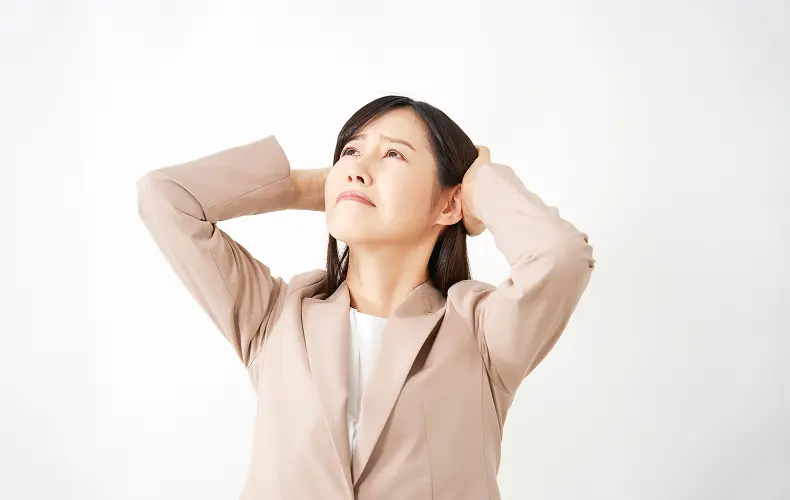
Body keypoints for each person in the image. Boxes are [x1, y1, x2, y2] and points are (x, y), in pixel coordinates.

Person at [137, 95, 594, 499]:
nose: (357, 167)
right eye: (350, 152)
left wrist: (480, 186)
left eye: (394, 153)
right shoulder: (274, 317)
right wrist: (304, 186)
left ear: (448, 204)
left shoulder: (481, 336)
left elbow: (560, 256)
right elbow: (164, 198)